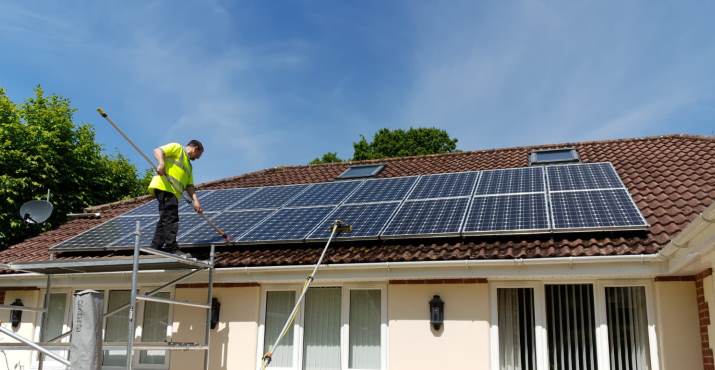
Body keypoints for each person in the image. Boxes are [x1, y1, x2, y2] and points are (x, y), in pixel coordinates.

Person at [148, 140, 204, 256]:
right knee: (171, 217)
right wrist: (161, 163)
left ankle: (155, 247)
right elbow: (158, 151)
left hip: (172, 192)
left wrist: (196, 201)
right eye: (198, 155)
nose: (197, 158)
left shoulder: (188, 166)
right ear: (195, 149)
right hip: (164, 187)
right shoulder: (177, 148)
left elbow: (189, 186)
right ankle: (171, 247)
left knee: (165, 218)